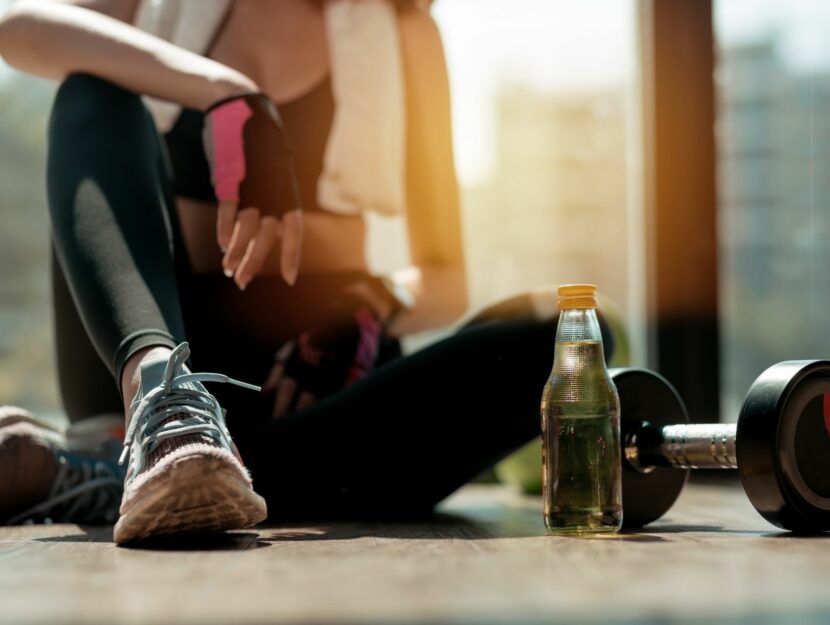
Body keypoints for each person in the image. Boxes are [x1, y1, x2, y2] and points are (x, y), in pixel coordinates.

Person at [0, 0, 614, 544]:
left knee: (568, 334)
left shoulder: (405, 30)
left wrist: (367, 307)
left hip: (320, 383)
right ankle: (166, 420)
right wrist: (226, 92)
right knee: (92, 92)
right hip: (161, 348)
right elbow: (16, 27)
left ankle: (122, 474)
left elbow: (445, 280)